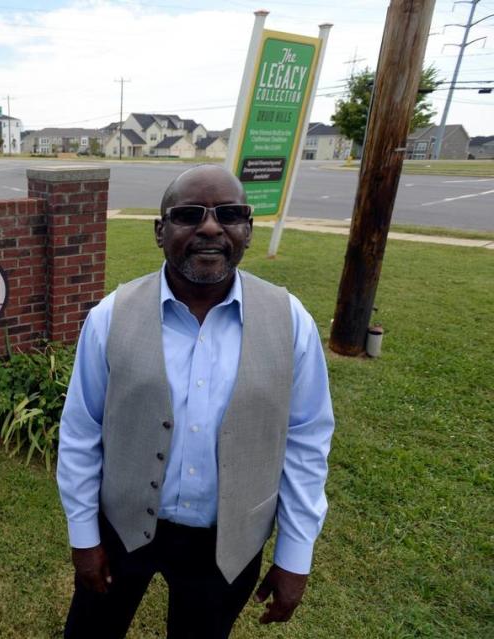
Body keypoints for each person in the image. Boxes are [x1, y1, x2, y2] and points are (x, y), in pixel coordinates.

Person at [56, 164, 335, 638]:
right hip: (121, 530)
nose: (211, 227)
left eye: (229, 214)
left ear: (247, 229)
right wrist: (84, 538)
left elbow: (306, 443)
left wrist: (294, 555)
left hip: (228, 540)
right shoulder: (111, 316)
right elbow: (81, 432)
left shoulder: (290, 321)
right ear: (160, 231)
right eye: (189, 214)